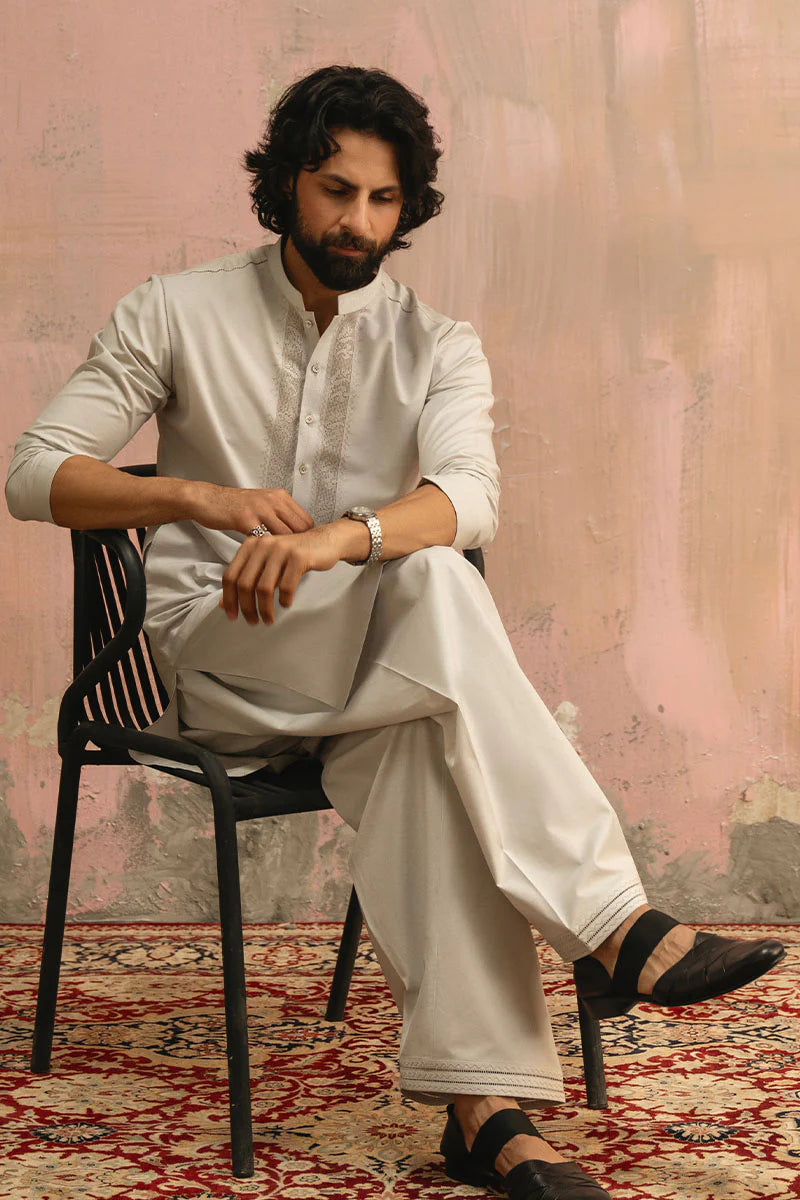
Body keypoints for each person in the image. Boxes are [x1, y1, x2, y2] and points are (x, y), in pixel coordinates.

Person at [6, 64, 786, 1200]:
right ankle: (614, 923)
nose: (357, 223)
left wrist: (338, 540)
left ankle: (486, 1118)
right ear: (286, 182)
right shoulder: (173, 310)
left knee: (424, 695)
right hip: (216, 657)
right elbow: (34, 475)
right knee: (432, 594)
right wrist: (199, 499)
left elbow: (471, 496)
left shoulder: (437, 343)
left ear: (407, 207)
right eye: (335, 191)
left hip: (380, 677)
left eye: (382, 201)